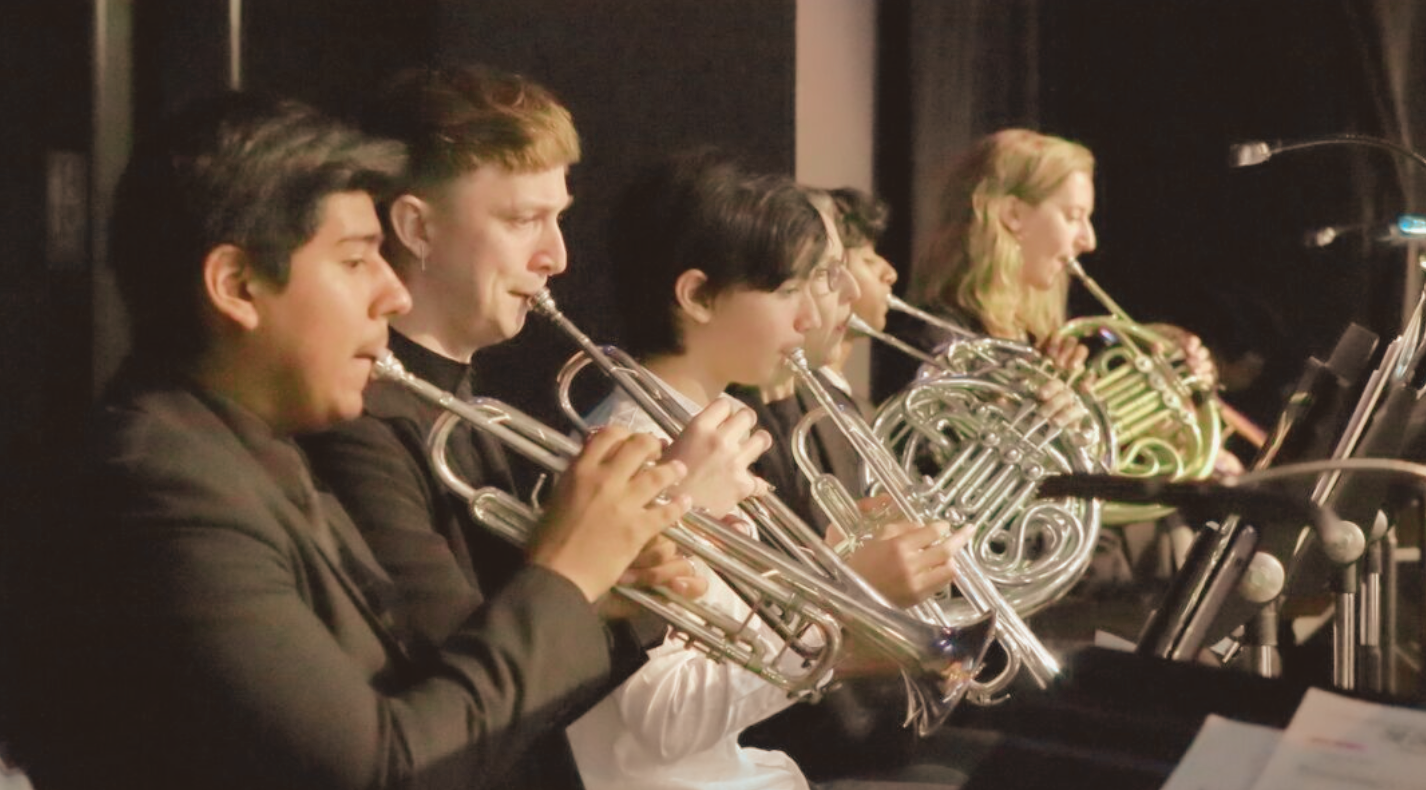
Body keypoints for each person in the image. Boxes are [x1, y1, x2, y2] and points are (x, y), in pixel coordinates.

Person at [2, 91, 695, 790]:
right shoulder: (162, 488)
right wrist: (565, 579)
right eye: (357, 260)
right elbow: (382, 769)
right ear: (238, 285)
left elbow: (434, 696)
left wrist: (597, 597)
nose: (393, 294)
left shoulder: (246, 451)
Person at [296, 65, 761, 790]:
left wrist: (629, 576)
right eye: (521, 221)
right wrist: (670, 511)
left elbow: (542, 662)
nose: (556, 257)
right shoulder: (362, 423)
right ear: (417, 227)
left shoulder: (469, 408)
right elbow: (471, 698)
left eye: (558, 218)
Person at [565, 151, 973, 790]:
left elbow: (733, 647)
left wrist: (828, 565)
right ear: (697, 295)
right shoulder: (632, 452)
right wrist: (837, 598)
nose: (809, 319)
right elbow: (664, 721)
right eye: (787, 292)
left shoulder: (718, 419)